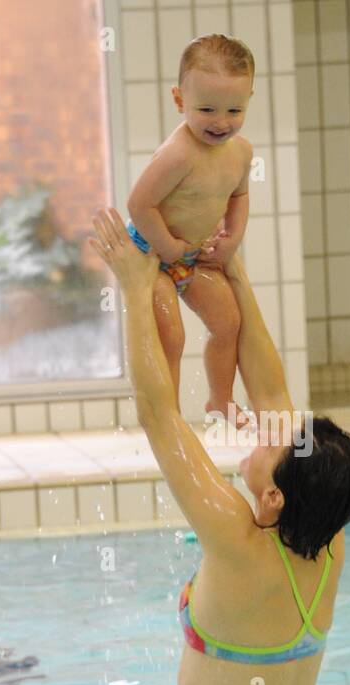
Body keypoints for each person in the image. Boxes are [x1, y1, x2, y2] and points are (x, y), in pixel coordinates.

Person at [88, 207, 350, 685]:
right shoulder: (327, 538)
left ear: (272, 496)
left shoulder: (233, 539)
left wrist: (135, 293)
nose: (268, 430)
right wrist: (233, 272)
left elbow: (160, 416)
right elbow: (271, 388)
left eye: (275, 445)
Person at [125, 33, 256, 428]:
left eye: (234, 109)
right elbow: (138, 205)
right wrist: (166, 246)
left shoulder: (241, 152)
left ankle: (220, 399)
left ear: (250, 98)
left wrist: (232, 238)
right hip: (150, 255)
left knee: (228, 322)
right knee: (171, 336)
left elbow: (240, 195)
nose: (221, 122)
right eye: (207, 109)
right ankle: (168, 415)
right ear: (180, 101)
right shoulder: (178, 154)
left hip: (190, 256)